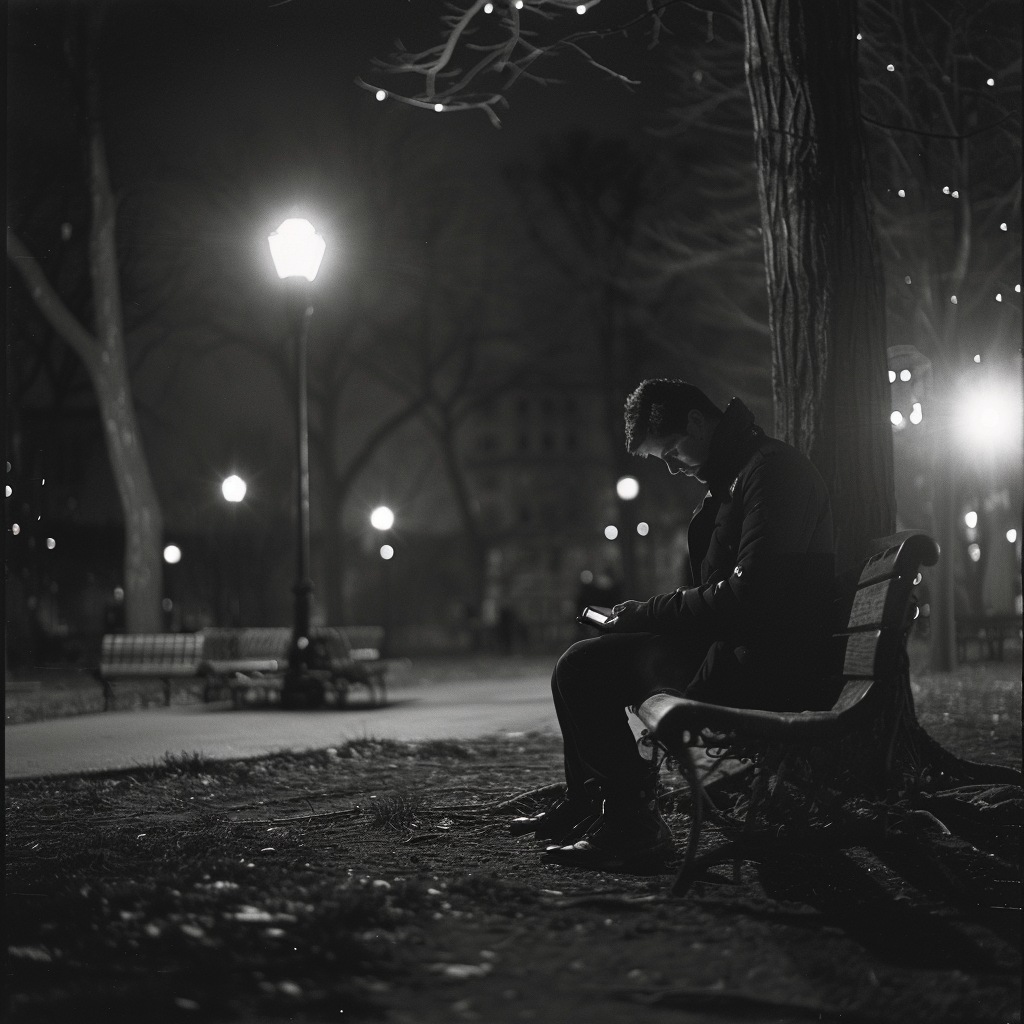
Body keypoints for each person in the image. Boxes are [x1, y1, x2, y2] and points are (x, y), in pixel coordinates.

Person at [512, 379, 835, 869]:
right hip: (740, 649)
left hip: (771, 664)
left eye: (672, 451)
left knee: (584, 668)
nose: (671, 466)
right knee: (577, 663)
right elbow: (726, 599)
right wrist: (643, 618)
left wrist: (648, 613)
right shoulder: (735, 478)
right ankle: (592, 803)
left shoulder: (772, 473)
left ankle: (633, 823)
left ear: (698, 422)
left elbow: (750, 597)